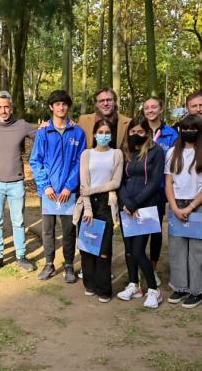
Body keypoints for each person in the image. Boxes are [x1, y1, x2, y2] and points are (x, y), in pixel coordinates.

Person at [30, 90, 86, 282]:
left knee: (69, 230)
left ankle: (69, 265)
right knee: (47, 230)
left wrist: (69, 187)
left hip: (68, 192)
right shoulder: (44, 132)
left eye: (64, 104)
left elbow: (80, 162)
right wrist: (45, 185)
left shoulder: (77, 132)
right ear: (51, 107)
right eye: (57, 104)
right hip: (48, 192)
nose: (61, 107)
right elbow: (35, 161)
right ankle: (49, 264)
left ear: (68, 106)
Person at [164, 114, 202, 309]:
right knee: (177, 248)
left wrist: (191, 207)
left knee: (198, 249)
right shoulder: (171, 153)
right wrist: (175, 206)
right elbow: (168, 181)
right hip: (177, 203)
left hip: (199, 204)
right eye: (185, 129)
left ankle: (197, 289)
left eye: (193, 129)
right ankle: (180, 286)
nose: (189, 132)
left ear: (200, 131)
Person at [0, 91, 38, 272]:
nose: (3, 110)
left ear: (11, 108)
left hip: (16, 183)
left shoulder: (22, 126)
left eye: (6, 107)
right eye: (0, 107)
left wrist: (51, 126)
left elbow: (42, 136)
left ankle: (21, 256)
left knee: (18, 221)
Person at [72, 120, 123, 303]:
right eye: (100, 131)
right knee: (88, 248)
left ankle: (104, 289)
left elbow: (115, 183)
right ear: (94, 134)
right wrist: (87, 208)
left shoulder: (117, 154)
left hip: (106, 204)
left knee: (103, 250)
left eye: (107, 131)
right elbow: (84, 183)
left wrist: (92, 190)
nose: (103, 135)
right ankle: (90, 284)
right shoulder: (87, 154)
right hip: (88, 204)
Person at [117, 117, 165, 308]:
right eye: (133, 132)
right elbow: (119, 181)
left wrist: (136, 203)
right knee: (129, 251)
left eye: (140, 132)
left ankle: (154, 290)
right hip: (127, 207)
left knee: (138, 250)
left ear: (148, 133)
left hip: (146, 207)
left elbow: (154, 182)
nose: (136, 135)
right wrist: (126, 203)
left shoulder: (156, 152)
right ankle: (133, 285)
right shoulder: (125, 152)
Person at [142, 97, 178, 285]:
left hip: (159, 190)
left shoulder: (171, 133)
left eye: (154, 106)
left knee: (155, 230)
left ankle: (153, 268)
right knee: (140, 230)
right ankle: (139, 266)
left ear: (161, 109)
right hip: (140, 189)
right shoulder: (139, 129)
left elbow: (175, 162)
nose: (150, 110)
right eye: (147, 107)